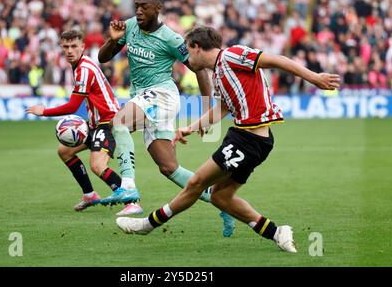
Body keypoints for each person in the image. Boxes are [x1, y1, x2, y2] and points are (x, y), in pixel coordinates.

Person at [116, 26, 341, 253]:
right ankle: (277, 232)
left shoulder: (233, 55)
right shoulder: (220, 72)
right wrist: (190, 128)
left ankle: (147, 224)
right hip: (252, 139)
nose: (187, 58)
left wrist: (314, 78)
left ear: (197, 47)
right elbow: (223, 108)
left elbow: (276, 60)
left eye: (188, 51)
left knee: (196, 183)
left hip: (248, 139)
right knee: (221, 197)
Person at [98, 0, 236, 237]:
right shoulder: (129, 27)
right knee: (169, 167)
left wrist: (207, 110)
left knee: (118, 123)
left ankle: (127, 185)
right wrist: (113, 39)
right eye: (136, 5)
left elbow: (199, 69)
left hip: (162, 95)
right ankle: (221, 202)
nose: (138, 10)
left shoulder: (171, 39)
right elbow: (103, 58)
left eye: (144, 6)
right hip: (143, 98)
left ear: (158, 8)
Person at [25, 29, 142, 216]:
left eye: (73, 46)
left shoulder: (84, 69)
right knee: (65, 151)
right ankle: (90, 194)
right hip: (96, 122)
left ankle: (132, 201)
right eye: (65, 47)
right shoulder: (79, 66)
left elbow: (73, 106)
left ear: (82, 47)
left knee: (97, 165)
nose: (69, 50)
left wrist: (44, 111)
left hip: (109, 122)